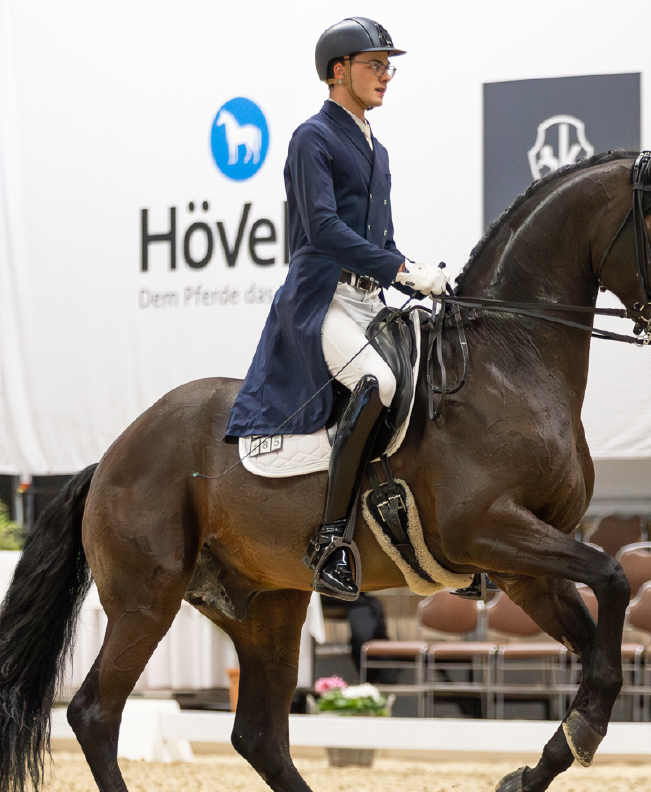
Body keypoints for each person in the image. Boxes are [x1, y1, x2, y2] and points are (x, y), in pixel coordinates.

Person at [225, 17, 448, 601]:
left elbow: (382, 238)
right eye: (375, 65)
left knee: (430, 378)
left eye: (387, 66)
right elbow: (322, 229)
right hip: (322, 297)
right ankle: (330, 541)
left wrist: (418, 276)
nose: (385, 76)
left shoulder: (379, 148)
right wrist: (399, 270)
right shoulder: (312, 138)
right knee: (375, 383)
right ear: (338, 71)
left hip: (369, 298)